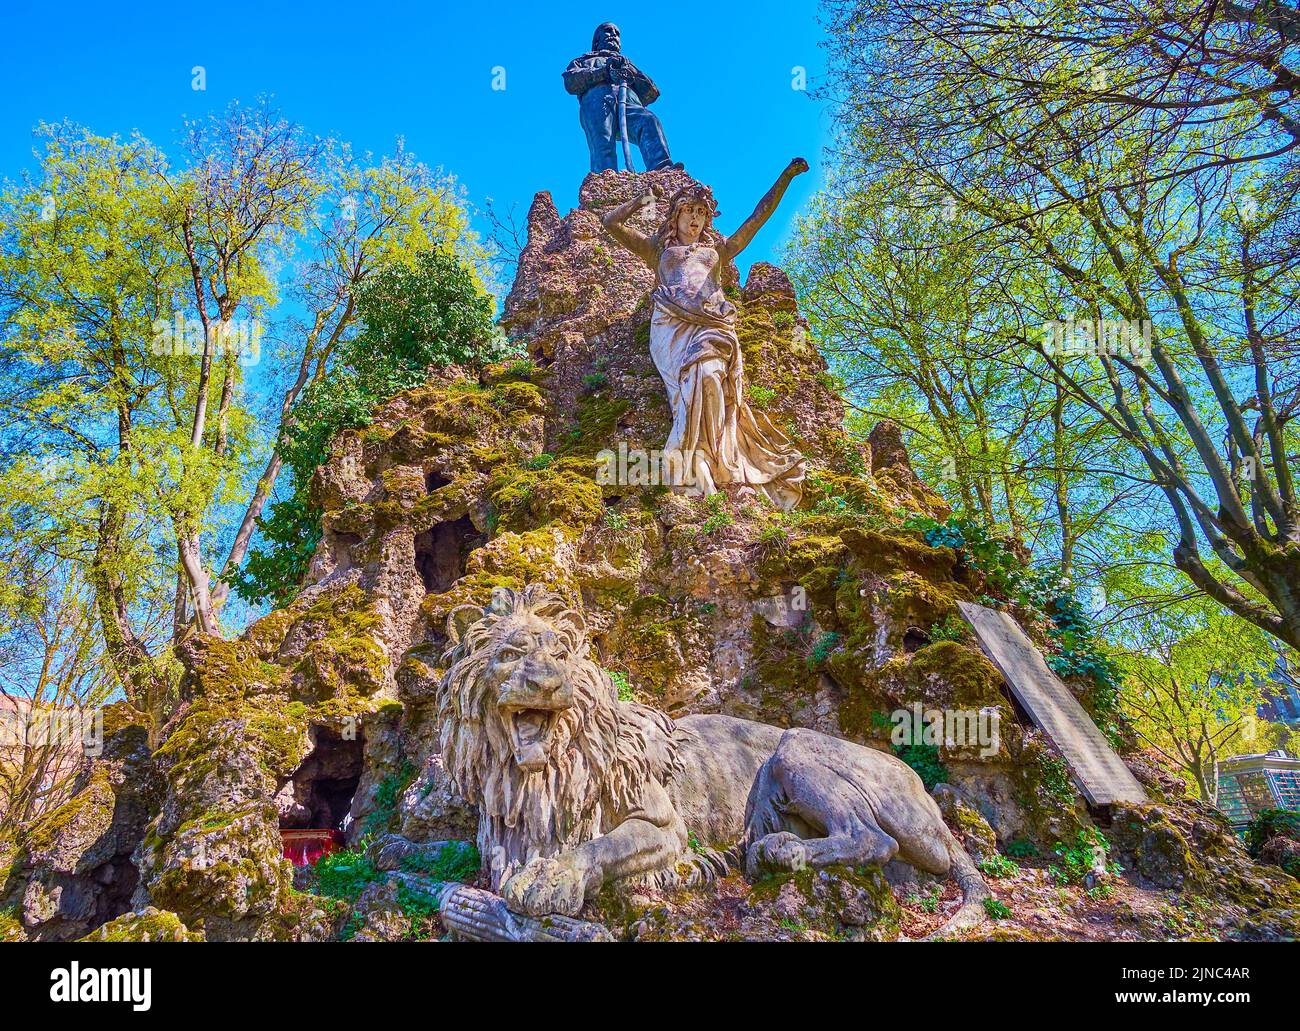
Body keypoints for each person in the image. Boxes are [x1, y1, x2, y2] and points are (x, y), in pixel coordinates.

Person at [600, 159, 811, 510]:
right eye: (688, 211)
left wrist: (786, 177)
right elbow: (610, 223)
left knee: (710, 376)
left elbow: (756, 220)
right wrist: (640, 200)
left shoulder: (718, 252)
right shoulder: (658, 250)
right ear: (675, 216)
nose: (695, 219)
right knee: (683, 395)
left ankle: (714, 460)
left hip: (712, 329)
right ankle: (697, 464)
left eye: (701, 212)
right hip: (671, 330)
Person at [563, 23, 680, 173]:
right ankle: (605, 180)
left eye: (617, 33)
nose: (614, 35)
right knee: (603, 144)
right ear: (597, 41)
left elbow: (651, 93)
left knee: (649, 120)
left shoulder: (626, 63)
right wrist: (604, 71)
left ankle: (662, 168)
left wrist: (630, 71)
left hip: (628, 103)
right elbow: (571, 82)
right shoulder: (582, 61)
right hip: (598, 103)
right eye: (608, 31)